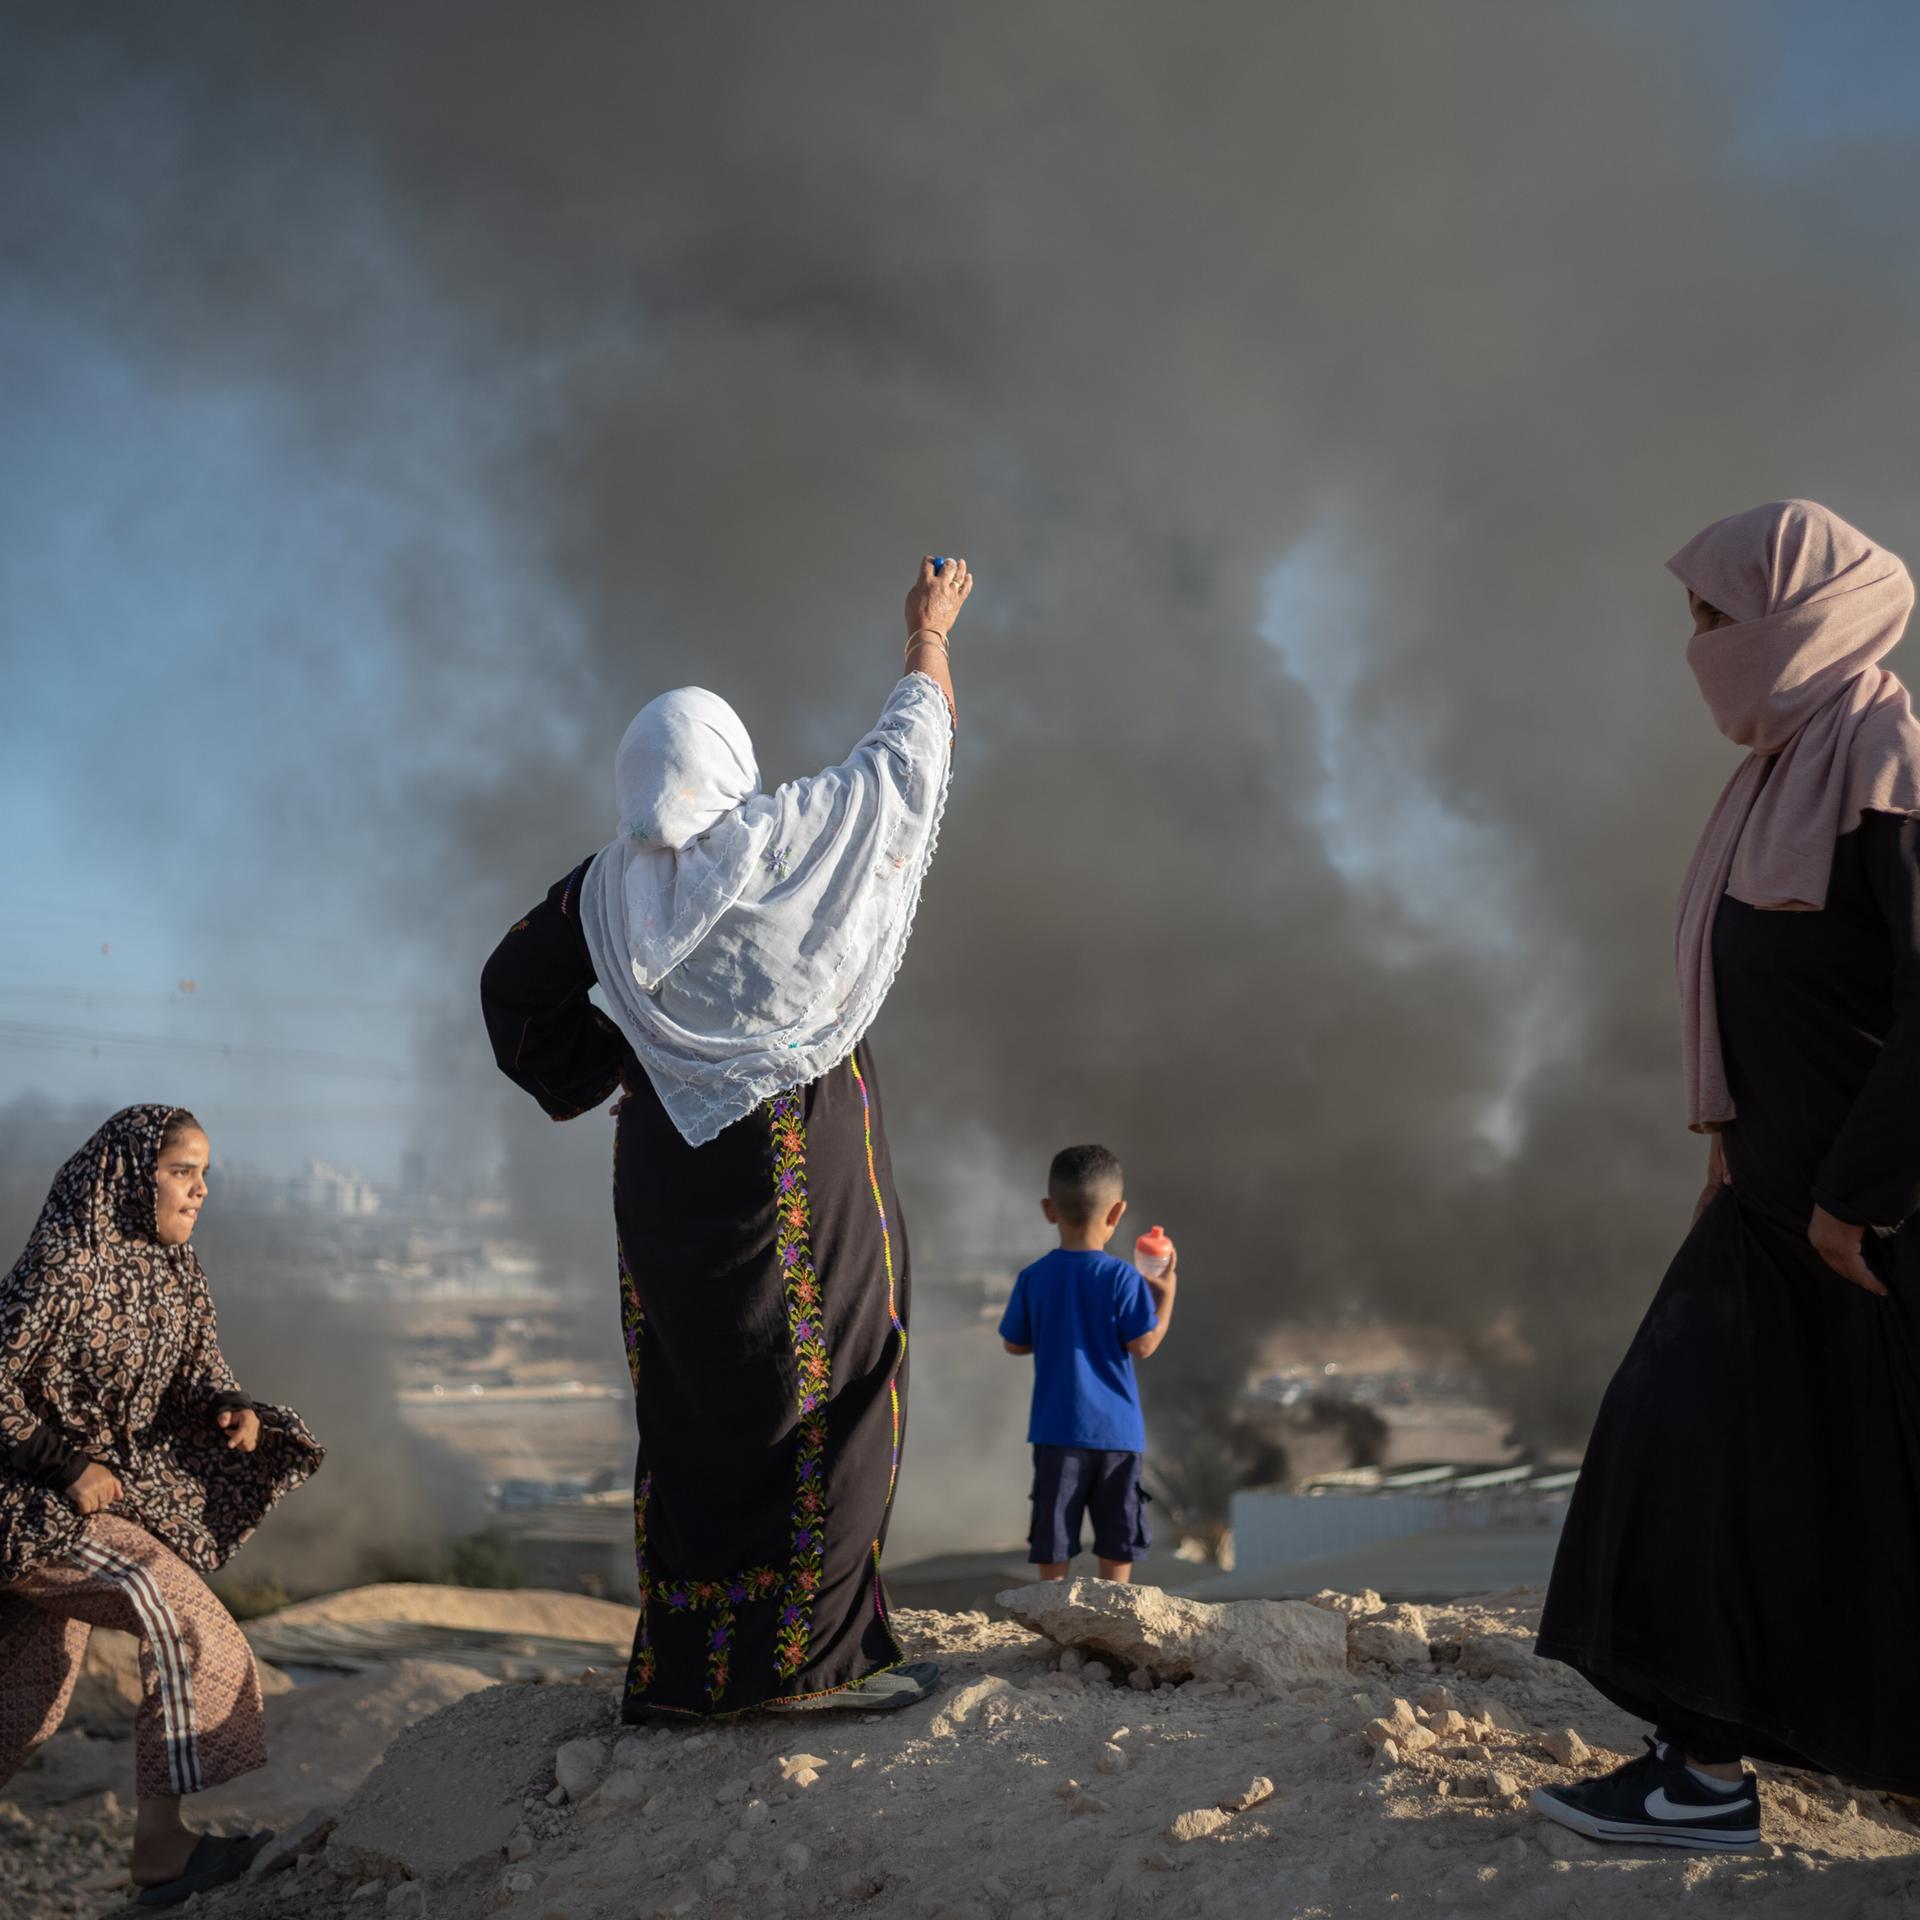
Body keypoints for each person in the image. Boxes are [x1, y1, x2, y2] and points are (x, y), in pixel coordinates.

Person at [481, 556, 970, 1719]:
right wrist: (927, 631)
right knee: (834, 1378)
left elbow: (511, 990)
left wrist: (613, 1063)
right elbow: (909, 756)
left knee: (693, 1397)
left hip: (664, 1163)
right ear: (731, 768)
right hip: (801, 1153)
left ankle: (690, 1671)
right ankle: (811, 1664)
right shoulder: (795, 839)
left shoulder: (598, 893)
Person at [1533, 501, 1920, 1850]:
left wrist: (1855, 1194)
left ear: (1799, 617)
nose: (1699, 648)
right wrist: (1732, 1153)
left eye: (1718, 620)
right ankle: (1699, 1771)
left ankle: (1723, 1772)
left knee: (1855, 1497)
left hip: (1870, 1221)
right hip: (1774, 1205)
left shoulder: (1889, 758)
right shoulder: (1778, 771)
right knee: (1701, 1459)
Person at [0, 1105, 323, 1905]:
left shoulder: (176, 1272)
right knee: (174, 1608)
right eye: (183, 1170)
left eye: (205, 1173)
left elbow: (200, 1371)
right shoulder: (65, 1264)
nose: (200, 1190)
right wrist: (63, 1463)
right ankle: (162, 1847)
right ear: (129, 1176)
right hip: (30, 1508)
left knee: (26, 1702)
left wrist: (231, 1407)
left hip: (97, 1509)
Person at [998, 1145, 1178, 1583]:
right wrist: (1167, 1296)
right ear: (1116, 1213)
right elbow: (1144, 1345)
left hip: (1056, 1430)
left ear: (1048, 1210)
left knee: (1053, 1537)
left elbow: (1015, 1345)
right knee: (1118, 1539)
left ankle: (1051, 1628)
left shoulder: (1033, 1278)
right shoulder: (1123, 1278)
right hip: (1117, 1433)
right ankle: (1113, 1626)